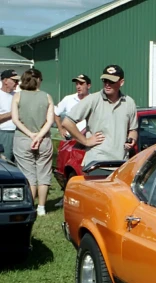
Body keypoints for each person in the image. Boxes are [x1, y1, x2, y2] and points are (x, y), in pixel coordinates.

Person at [61, 65, 138, 174]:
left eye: (111, 81)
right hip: (97, 164)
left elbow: (133, 130)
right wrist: (86, 141)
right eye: (105, 80)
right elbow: (67, 122)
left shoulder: (129, 102)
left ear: (121, 82)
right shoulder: (93, 100)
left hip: (121, 164)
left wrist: (132, 138)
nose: (107, 84)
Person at [11, 69, 54, 216]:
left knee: (28, 174)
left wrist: (30, 134)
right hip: (44, 140)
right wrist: (39, 136)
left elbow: (15, 119)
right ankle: (41, 207)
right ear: (39, 80)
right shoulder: (47, 97)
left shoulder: (17, 96)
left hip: (23, 139)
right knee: (44, 173)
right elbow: (50, 121)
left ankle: (30, 204)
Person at [54, 74, 91, 139]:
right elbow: (56, 113)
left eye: (81, 84)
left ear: (88, 86)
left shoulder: (94, 100)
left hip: (88, 137)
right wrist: (60, 129)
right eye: (77, 84)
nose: (78, 87)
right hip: (70, 138)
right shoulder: (68, 99)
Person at [0, 69, 21, 163]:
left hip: (19, 133)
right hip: (4, 133)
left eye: (17, 81)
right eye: (14, 80)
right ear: (5, 81)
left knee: (19, 162)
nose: (17, 83)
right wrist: (13, 113)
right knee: (6, 161)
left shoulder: (17, 95)